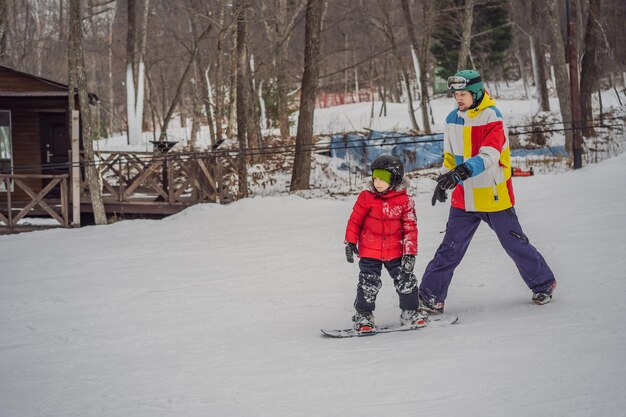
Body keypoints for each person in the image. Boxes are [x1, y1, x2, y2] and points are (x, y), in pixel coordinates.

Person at [420, 69, 557, 315]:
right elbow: (450, 157)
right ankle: (429, 297)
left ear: (476, 92)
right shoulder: (452, 118)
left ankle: (543, 284)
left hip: (494, 196)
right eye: (456, 94)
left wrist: (459, 173)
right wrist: (444, 180)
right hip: (464, 198)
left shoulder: (493, 117)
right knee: (449, 249)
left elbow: (489, 156)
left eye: (463, 94)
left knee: (514, 245)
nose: (459, 98)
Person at [344, 154, 427, 333]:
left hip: (396, 251)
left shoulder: (405, 201)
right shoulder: (366, 197)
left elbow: (410, 229)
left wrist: (410, 253)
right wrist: (350, 242)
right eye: (375, 177)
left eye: (384, 177)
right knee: (368, 283)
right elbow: (355, 221)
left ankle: (410, 312)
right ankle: (364, 316)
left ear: (395, 178)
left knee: (406, 280)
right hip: (370, 251)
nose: (378, 182)